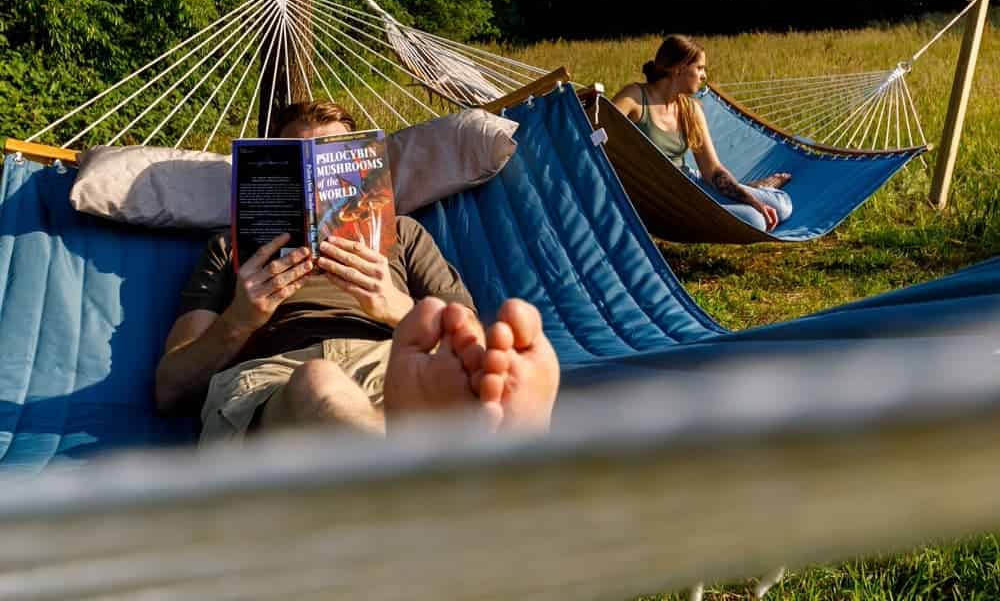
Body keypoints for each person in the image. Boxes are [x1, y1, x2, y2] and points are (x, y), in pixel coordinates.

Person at [155, 99, 560, 440]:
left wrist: (394, 306)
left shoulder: (402, 233)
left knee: (448, 375)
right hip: (274, 377)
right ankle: (464, 447)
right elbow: (170, 388)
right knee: (318, 384)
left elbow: (467, 338)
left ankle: (438, 439)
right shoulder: (230, 248)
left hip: (392, 360)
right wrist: (240, 320)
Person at [612, 35, 793, 232]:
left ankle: (757, 187)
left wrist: (753, 201)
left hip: (693, 185)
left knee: (782, 206)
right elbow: (593, 128)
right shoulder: (635, 97)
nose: (704, 75)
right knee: (756, 221)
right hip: (660, 198)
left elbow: (712, 170)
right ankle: (752, 189)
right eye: (699, 68)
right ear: (679, 68)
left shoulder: (690, 109)